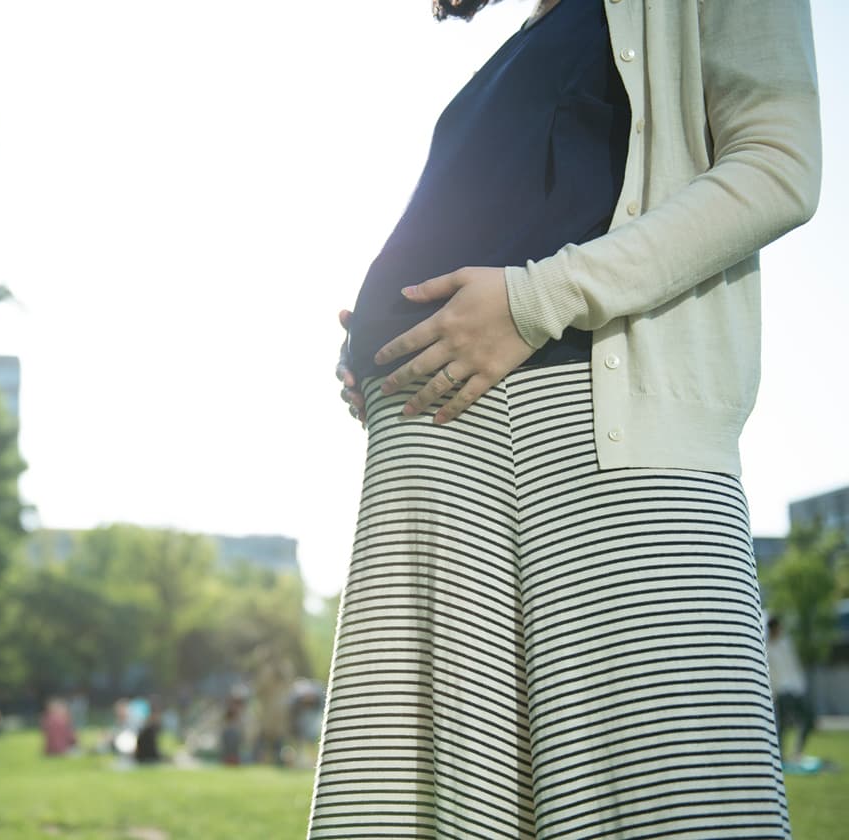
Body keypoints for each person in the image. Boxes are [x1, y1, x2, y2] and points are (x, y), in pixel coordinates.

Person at [310, 0, 821, 837]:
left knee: (661, 801)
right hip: (435, 463)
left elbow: (778, 166)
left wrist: (533, 299)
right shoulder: (539, 29)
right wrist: (380, 346)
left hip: (583, 452)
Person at [767, 616, 816, 765]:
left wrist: (800, 686)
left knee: (808, 719)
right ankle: (780, 755)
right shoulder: (767, 647)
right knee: (781, 725)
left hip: (795, 689)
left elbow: (793, 666)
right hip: (780, 692)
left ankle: (797, 752)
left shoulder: (786, 643)